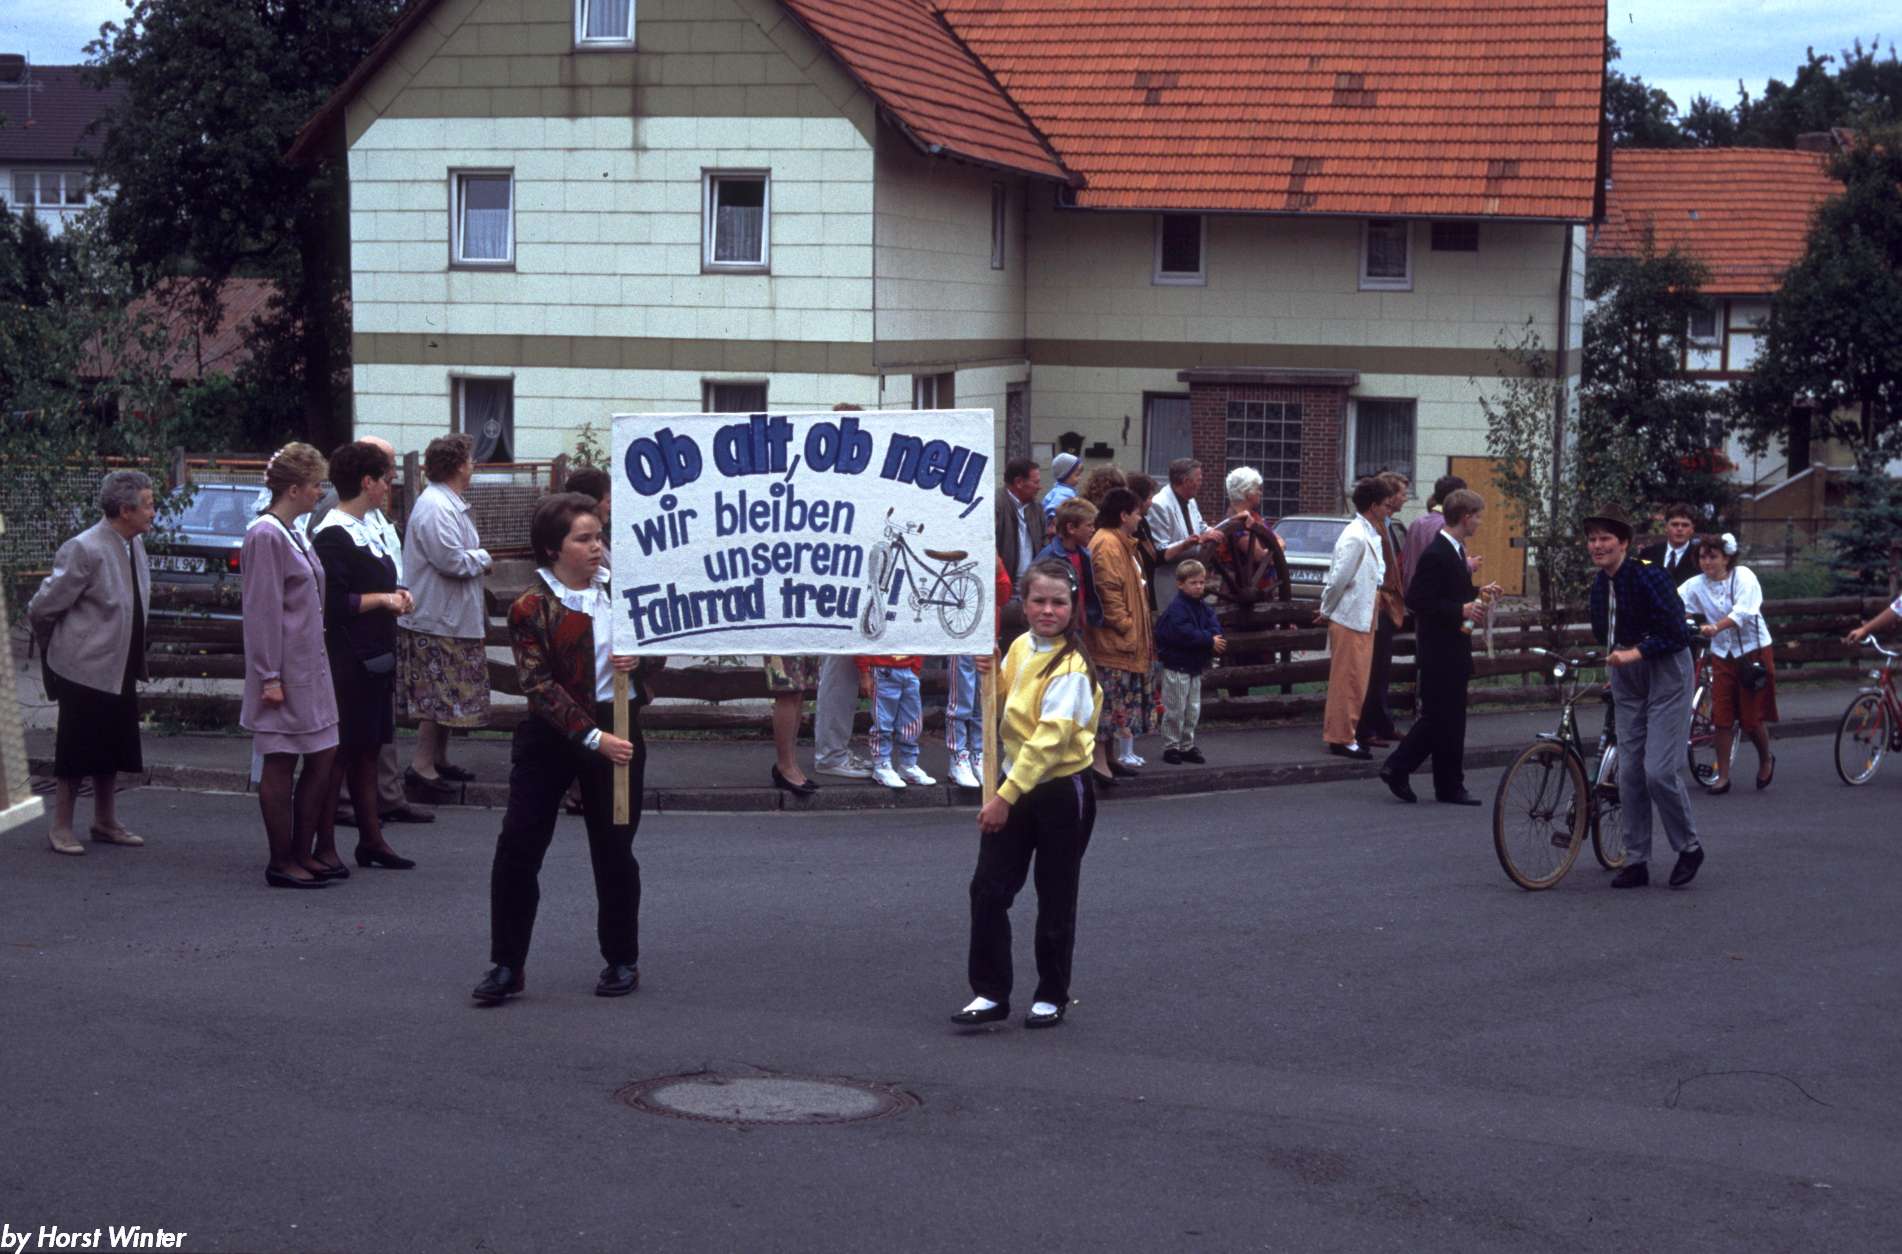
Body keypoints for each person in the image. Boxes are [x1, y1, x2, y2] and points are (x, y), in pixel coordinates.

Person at [472, 494, 661, 1005]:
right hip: (554, 735)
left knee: (614, 849)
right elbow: (539, 686)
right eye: (584, 538)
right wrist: (594, 739)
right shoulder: (530, 607)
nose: (597, 546)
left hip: (618, 721)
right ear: (554, 549)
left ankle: (621, 958)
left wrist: (639, 661)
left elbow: (659, 650)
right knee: (519, 847)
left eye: (599, 536)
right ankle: (507, 964)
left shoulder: (622, 594)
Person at [953, 558, 1103, 1030]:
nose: (1047, 610)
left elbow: (1049, 740)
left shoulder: (1073, 666)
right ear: (1023, 602)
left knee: (1055, 894)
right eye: (1038, 600)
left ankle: (1051, 993)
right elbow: (1005, 705)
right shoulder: (1021, 646)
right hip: (1017, 780)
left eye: (1059, 602)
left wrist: (1004, 796)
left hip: (1059, 788)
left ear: (1073, 606)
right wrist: (991, 673)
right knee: (988, 888)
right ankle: (990, 992)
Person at [28, 469, 156, 856]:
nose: (153, 512)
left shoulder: (134, 543)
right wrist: (60, 647)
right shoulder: (85, 547)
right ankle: (61, 826)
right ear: (125, 510)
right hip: (83, 668)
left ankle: (105, 821)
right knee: (75, 750)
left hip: (119, 665)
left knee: (112, 746)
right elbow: (43, 607)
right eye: (147, 505)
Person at [1583, 504, 1705, 889]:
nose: (1597, 546)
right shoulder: (1600, 585)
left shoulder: (1649, 573)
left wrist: (1634, 653)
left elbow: (1676, 633)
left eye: (1605, 538)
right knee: (1630, 772)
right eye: (1592, 539)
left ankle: (1689, 847)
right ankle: (1636, 859)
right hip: (1628, 674)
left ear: (1623, 543)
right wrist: (1617, 667)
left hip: (1666, 670)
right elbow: (1606, 635)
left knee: (1658, 770)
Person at [315, 436, 433, 829]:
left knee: (368, 749)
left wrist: (397, 593)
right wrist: (384, 599)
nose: (388, 486)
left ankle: (372, 835)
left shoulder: (367, 525)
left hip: (375, 654)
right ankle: (325, 836)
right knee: (345, 750)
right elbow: (333, 603)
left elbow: (377, 578)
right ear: (367, 482)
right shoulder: (333, 532)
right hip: (350, 658)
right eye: (385, 479)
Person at [241, 444, 341, 888]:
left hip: (310, 666)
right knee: (281, 759)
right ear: (294, 489)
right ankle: (281, 860)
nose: (320, 493)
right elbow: (261, 611)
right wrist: (268, 676)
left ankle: (302, 851)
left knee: (324, 753)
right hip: (282, 671)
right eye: (316, 485)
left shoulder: (294, 531)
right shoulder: (265, 535)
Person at [1379, 489, 1500, 806]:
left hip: (1453, 647)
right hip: (1440, 650)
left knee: (1451, 720)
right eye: (1478, 517)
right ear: (1465, 517)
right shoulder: (1437, 553)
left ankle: (1448, 785)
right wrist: (1460, 609)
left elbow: (1452, 592)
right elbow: (1418, 599)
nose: (1480, 522)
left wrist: (1480, 592)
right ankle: (1399, 767)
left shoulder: (1455, 551)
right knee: (1439, 718)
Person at [398, 433, 493, 797]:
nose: (473, 465)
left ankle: (438, 759)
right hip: (437, 618)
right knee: (437, 695)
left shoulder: (446, 502)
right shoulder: (436, 507)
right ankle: (422, 767)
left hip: (448, 616)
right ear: (457, 465)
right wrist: (484, 558)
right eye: (470, 459)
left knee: (447, 693)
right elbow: (450, 560)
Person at [1681, 533, 1777, 793]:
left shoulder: (1743, 576)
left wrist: (1715, 627)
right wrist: (1684, 620)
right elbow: (1677, 603)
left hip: (1752, 651)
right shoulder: (1696, 584)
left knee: (1751, 718)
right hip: (1722, 653)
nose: (1707, 562)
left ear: (1727, 558)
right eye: (1702, 557)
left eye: (1713, 557)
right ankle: (1722, 776)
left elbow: (1744, 612)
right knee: (1721, 717)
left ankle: (1766, 758)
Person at [1318, 477, 1394, 760]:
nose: (1389, 510)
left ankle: (1346, 734)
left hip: (1362, 615)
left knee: (1357, 680)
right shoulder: (1356, 536)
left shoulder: (1368, 533)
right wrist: (1326, 610)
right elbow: (1338, 579)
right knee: (1347, 681)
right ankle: (1340, 737)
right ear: (1373, 506)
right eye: (1386, 505)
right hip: (1349, 617)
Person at [1085, 487, 1156, 778]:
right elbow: (1108, 591)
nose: (1140, 518)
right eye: (1137, 513)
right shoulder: (1107, 544)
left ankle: (1110, 757)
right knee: (1107, 704)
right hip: (1112, 643)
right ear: (1124, 515)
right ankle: (1098, 761)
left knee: (1117, 705)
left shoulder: (1119, 543)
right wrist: (1126, 625)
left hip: (1123, 641)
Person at [944, 557, 1015, 791]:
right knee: (961, 700)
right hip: (962, 637)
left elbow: (1003, 595)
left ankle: (978, 753)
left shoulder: (992, 554)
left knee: (983, 702)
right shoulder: (960, 550)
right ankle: (958, 756)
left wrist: (997, 568)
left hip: (987, 637)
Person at [1357, 472, 1411, 748]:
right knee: (1373, 669)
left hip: (1387, 604)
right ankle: (1366, 728)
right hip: (1377, 605)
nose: (1404, 498)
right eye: (1401, 493)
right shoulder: (1372, 528)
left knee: (1382, 669)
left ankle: (1381, 722)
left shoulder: (1388, 525)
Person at [1154, 558, 1224, 764]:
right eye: (1193, 583)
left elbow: (1215, 627)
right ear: (1180, 584)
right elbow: (1183, 633)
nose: (1198, 587)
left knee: (1193, 709)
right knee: (1175, 709)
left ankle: (1187, 744)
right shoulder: (1176, 609)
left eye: (1201, 582)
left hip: (1194, 666)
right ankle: (1171, 746)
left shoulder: (1203, 608)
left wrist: (1213, 637)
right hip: (1177, 666)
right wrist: (1208, 640)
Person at [1206, 466, 1288, 610]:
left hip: (1259, 590)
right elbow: (1260, 556)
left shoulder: (1254, 518)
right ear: (1247, 493)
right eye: (1257, 489)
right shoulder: (1237, 524)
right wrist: (1275, 548)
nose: (1260, 493)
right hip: (1245, 592)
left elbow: (1279, 542)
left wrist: (1276, 547)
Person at [1146, 458, 1224, 607]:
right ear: (1186, 481)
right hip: (1170, 582)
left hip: (1191, 580)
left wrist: (1219, 531)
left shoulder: (1190, 501)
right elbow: (1160, 552)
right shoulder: (1159, 505)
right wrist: (1190, 542)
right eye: (1198, 479)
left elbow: (1201, 527)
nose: (1201, 484)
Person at [858, 653, 933, 788]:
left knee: (912, 722)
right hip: (882, 669)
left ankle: (908, 763)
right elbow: (863, 642)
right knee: (882, 721)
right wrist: (864, 672)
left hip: (908, 668)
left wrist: (916, 666)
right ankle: (881, 764)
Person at [995, 457, 1046, 648]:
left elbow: (1042, 543)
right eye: (1035, 482)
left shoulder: (1036, 509)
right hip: (1003, 592)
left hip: (1028, 589)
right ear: (1018, 482)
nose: (1039, 487)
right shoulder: (996, 505)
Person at [1402, 474, 1481, 579]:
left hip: (1412, 585)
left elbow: (1407, 560)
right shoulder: (1449, 526)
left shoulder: (1416, 523)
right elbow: (1449, 566)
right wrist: (1470, 565)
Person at [1035, 498, 1100, 623]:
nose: (1093, 530)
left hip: (1080, 626)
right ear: (1071, 528)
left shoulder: (1084, 555)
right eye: (1089, 525)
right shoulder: (1049, 558)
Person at [1639, 502, 1701, 587]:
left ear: (1692, 529)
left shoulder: (1699, 557)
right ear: (1666, 527)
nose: (1679, 529)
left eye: (1685, 525)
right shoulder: (1648, 553)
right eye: (1675, 524)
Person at [1126, 472, 1163, 616]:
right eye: (1149, 498)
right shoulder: (1131, 529)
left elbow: (1155, 557)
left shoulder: (1143, 523)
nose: (1152, 502)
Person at [1041, 451, 1082, 528]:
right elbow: (1053, 510)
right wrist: (1054, 525)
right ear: (1065, 475)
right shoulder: (1065, 492)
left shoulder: (1058, 489)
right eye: (1077, 475)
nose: (1080, 478)